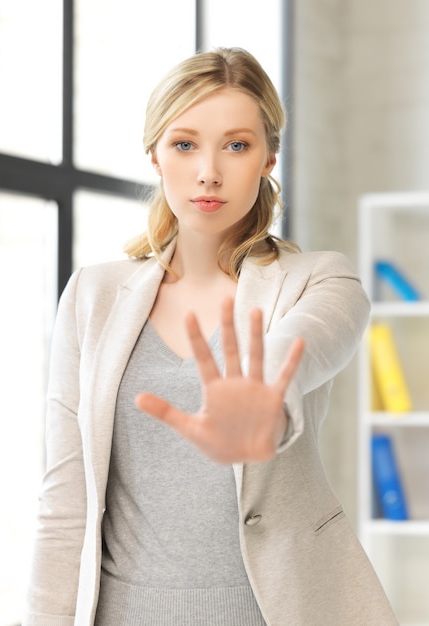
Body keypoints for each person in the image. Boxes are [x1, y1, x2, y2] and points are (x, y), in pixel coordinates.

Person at [24, 47, 398, 626]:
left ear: (269, 157)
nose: (208, 172)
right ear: (154, 154)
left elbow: (309, 342)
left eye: (237, 145)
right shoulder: (92, 296)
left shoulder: (317, 280)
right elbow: (64, 505)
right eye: (185, 143)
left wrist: (264, 396)